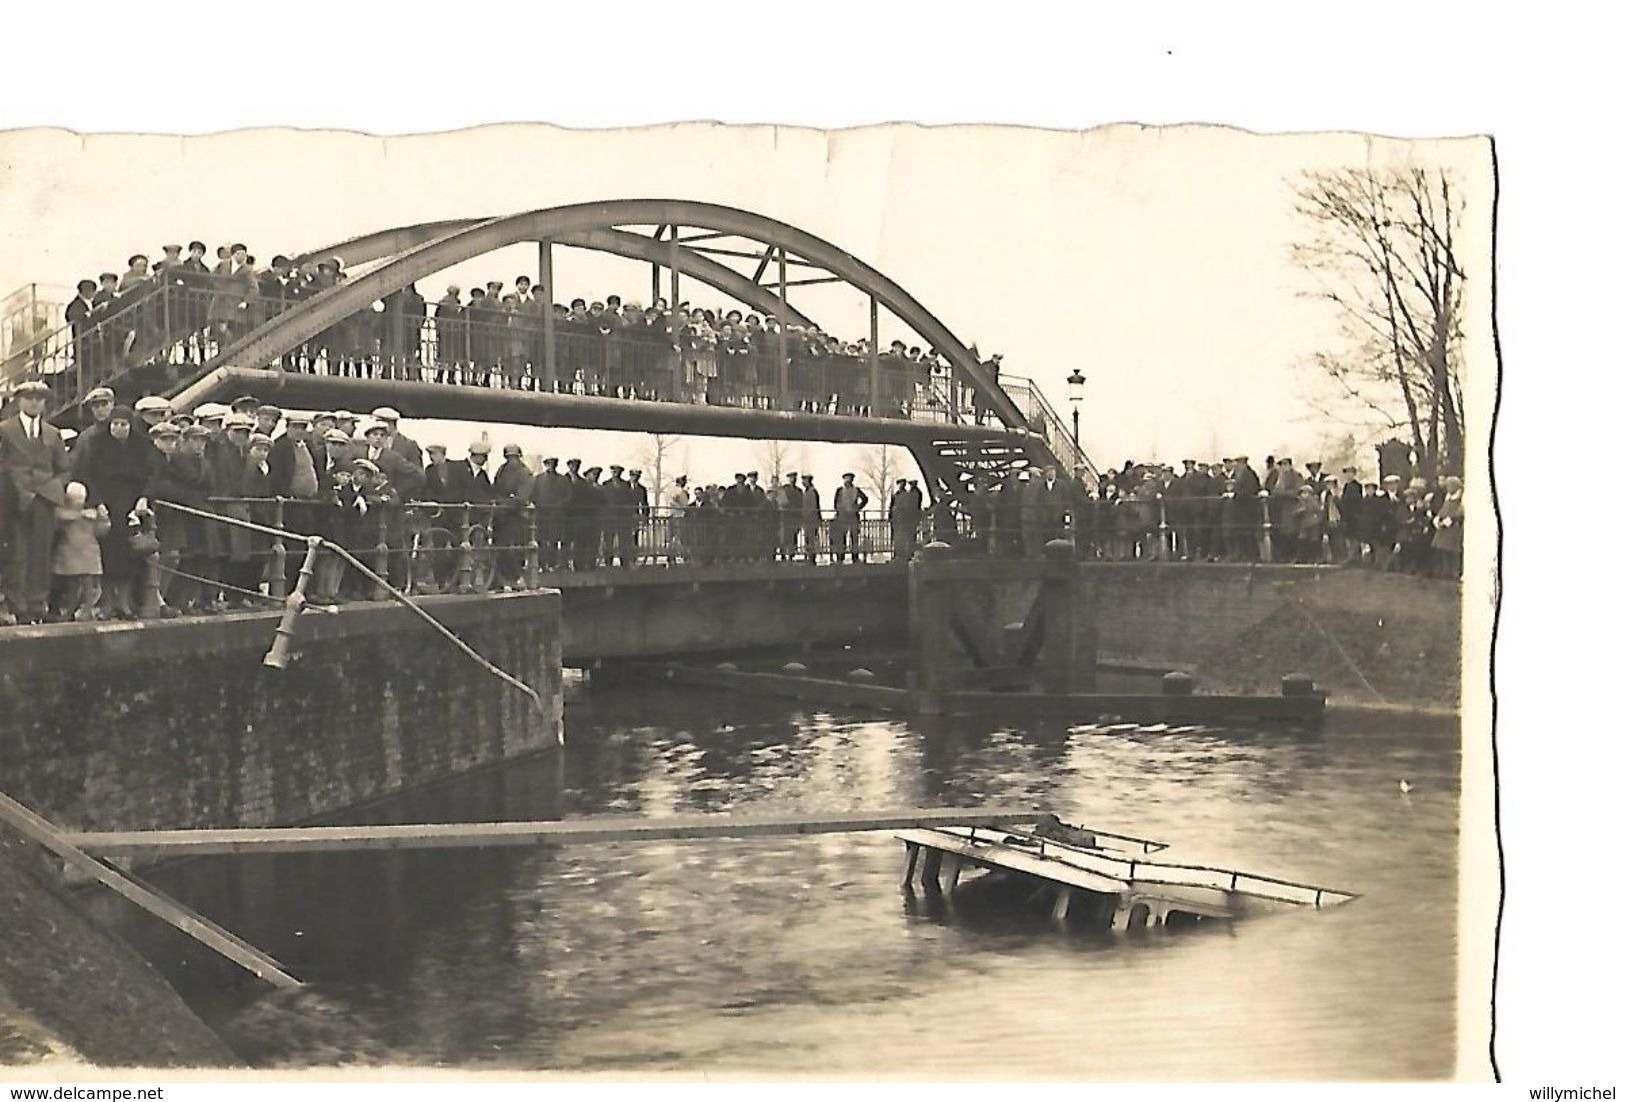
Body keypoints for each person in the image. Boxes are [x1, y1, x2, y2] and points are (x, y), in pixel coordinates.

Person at [71, 404, 151, 619]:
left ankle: (124, 603)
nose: (119, 428)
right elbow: (85, 473)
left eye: (123, 424)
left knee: (130, 555)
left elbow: (151, 474)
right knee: (107, 555)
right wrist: (97, 502)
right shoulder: (97, 444)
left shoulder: (141, 445)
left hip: (132, 507)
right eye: (115, 424)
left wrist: (143, 498)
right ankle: (107, 603)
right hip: (106, 505)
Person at [51, 481, 110, 622]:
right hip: (89, 552)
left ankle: (70, 611)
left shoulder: (62, 515)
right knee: (88, 583)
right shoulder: (91, 516)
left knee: (72, 583)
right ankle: (87, 610)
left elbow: (56, 528)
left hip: (69, 551)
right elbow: (102, 531)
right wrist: (104, 518)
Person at [1430, 475, 1464, 579]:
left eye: (1450, 486)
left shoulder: (1460, 499)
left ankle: (1453, 572)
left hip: (1454, 529)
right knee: (1441, 550)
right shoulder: (1448, 499)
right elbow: (1442, 511)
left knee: (1452, 552)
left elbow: (1459, 514)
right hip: (1443, 528)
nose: (1448, 488)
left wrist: (1447, 521)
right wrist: (1438, 519)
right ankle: (1443, 571)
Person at [831, 472, 868, 562]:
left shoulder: (856, 490)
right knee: (841, 537)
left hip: (853, 516)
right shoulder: (840, 490)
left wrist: (858, 507)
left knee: (854, 537)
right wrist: (839, 509)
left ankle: (854, 557)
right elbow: (835, 502)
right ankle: (841, 556)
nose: (848, 481)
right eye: (846, 479)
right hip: (842, 517)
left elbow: (865, 499)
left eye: (849, 479)